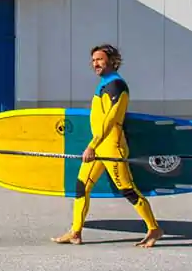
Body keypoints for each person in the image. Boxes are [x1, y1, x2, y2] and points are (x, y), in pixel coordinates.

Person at [51, 44, 164, 248]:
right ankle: (76, 232)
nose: (95, 63)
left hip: (112, 146)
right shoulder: (104, 84)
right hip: (99, 145)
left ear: (112, 61)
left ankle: (154, 228)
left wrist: (92, 146)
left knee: (127, 189)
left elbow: (110, 120)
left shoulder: (116, 86)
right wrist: (95, 145)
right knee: (82, 186)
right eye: (93, 60)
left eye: (100, 59)